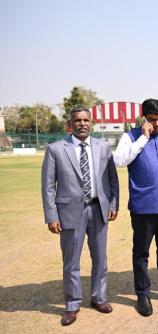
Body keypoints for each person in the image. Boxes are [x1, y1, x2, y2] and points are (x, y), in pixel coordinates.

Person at [41, 107, 119, 326]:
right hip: (69, 213)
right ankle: (73, 304)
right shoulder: (56, 149)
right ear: (70, 124)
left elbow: (113, 179)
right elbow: (48, 186)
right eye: (78, 120)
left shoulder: (103, 147)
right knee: (71, 262)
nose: (82, 123)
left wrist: (113, 203)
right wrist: (51, 216)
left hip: (98, 210)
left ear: (91, 123)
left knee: (100, 259)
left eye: (86, 120)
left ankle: (99, 298)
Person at [114, 98, 158, 317]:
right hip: (143, 206)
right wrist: (143, 138)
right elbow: (119, 160)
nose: (157, 124)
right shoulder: (130, 136)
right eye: (152, 120)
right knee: (141, 252)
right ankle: (143, 294)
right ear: (144, 119)